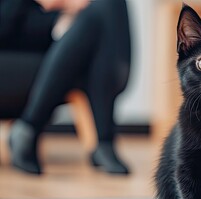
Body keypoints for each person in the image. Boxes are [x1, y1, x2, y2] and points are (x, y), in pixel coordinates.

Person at [4, 0, 132, 175]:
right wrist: (59, 12)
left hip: (49, 47)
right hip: (12, 54)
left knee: (105, 7)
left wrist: (65, 17)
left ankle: (28, 129)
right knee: (96, 19)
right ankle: (104, 139)